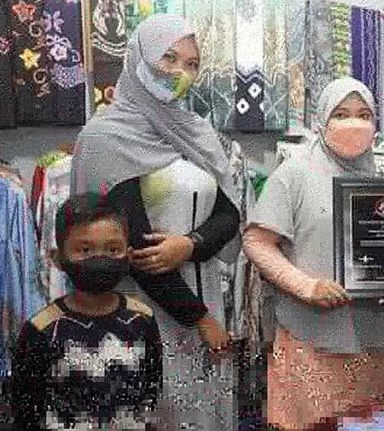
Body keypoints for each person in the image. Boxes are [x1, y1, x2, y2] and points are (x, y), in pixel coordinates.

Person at [71, 15, 241, 430]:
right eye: (168, 58)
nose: (180, 72)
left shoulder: (195, 132)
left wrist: (191, 244)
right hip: (142, 314)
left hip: (202, 301)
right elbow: (134, 248)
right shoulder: (104, 137)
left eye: (192, 64)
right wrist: (201, 319)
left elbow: (229, 214)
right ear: (139, 58)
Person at [244, 77, 384, 429]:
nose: (354, 123)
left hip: (367, 337)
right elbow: (257, 241)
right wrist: (307, 287)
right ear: (322, 120)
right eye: (341, 114)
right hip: (309, 337)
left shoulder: (382, 179)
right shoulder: (294, 173)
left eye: (364, 115)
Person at [11, 193, 163, 429]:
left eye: (112, 250)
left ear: (129, 255)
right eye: (85, 250)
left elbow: (152, 390)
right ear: (58, 258)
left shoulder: (141, 319)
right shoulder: (42, 328)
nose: (99, 258)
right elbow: (25, 408)